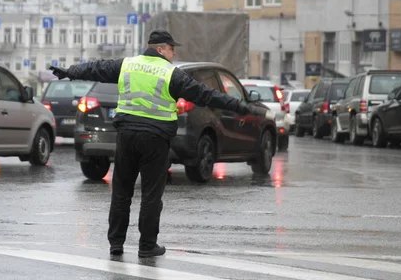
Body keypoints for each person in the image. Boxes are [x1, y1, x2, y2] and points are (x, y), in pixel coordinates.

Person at [49, 30, 253, 258]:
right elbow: (204, 94)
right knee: (151, 195)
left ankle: (116, 244)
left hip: (127, 136)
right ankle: (147, 246)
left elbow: (96, 68)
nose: (173, 52)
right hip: (155, 139)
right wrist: (237, 105)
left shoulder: (127, 65)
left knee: (121, 192)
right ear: (160, 48)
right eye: (171, 47)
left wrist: (70, 72)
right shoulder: (170, 73)